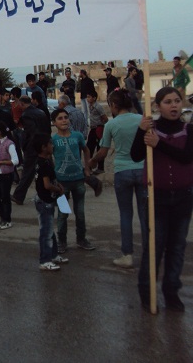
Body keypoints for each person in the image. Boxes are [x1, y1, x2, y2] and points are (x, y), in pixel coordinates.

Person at [131, 87, 193, 311]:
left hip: (184, 197)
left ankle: (171, 291)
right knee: (154, 246)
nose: (174, 105)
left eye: (177, 100)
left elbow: (186, 157)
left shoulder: (189, 129)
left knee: (177, 247)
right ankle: (147, 292)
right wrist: (141, 132)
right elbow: (136, 155)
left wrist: (160, 144)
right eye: (168, 101)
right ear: (158, 106)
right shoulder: (150, 129)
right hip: (157, 198)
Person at [88, 89, 145, 269]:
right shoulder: (142, 120)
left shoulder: (111, 125)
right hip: (143, 170)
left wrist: (92, 161)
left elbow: (103, 152)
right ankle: (150, 254)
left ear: (113, 105)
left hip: (122, 171)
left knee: (126, 214)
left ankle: (127, 255)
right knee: (145, 215)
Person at [50, 109, 95, 254]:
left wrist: (87, 168)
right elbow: (48, 157)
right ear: (54, 122)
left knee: (80, 213)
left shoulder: (78, 136)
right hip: (61, 183)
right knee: (63, 213)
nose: (64, 120)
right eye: (60, 118)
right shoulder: (53, 140)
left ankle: (81, 239)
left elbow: (86, 150)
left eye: (66, 117)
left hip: (78, 181)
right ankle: (61, 241)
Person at [33, 134, 69, 271]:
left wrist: (58, 185)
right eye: (50, 144)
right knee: (46, 233)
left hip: (47, 200)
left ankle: (53, 255)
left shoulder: (45, 161)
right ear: (44, 147)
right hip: (45, 201)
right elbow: (47, 185)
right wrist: (58, 190)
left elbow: (52, 179)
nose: (52, 146)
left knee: (49, 230)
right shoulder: (43, 164)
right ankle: (45, 260)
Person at [11, 96, 50, 205]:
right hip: (44, 145)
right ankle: (58, 193)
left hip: (33, 148)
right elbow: (47, 129)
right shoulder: (41, 112)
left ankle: (18, 196)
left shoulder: (26, 115)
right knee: (48, 170)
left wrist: (25, 145)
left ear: (22, 104)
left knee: (28, 172)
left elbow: (30, 133)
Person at [0, 121, 18, 230]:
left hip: (6, 174)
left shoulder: (9, 143)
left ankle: (7, 220)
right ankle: (3, 216)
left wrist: (2, 162)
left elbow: (15, 160)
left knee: (5, 197)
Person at [86, 91, 108, 174]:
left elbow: (105, 118)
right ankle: (90, 166)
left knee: (99, 148)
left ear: (94, 98)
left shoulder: (98, 107)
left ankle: (100, 167)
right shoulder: (90, 106)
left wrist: (100, 125)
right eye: (87, 97)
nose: (87, 99)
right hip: (93, 128)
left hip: (98, 128)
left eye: (89, 97)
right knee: (89, 148)